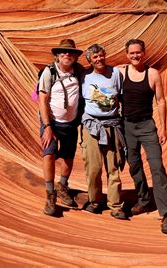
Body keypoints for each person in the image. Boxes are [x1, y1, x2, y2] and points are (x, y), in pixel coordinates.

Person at [120, 38, 167, 234]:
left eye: (138, 52)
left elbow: (161, 101)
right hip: (127, 125)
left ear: (143, 53)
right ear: (126, 54)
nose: (135, 56)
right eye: (131, 53)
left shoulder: (152, 74)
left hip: (147, 125)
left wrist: (163, 128)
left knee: (157, 167)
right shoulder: (121, 72)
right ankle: (144, 200)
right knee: (134, 165)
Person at [80, 44, 127, 220]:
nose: (99, 59)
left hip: (112, 126)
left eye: (101, 56)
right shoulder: (84, 76)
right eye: (95, 57)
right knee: (93, 167)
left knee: (113, 166)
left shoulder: (115, 74)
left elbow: (122, 97)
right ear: (90, 61)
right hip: (91, 125)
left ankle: (116, 205)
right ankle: (95, 201)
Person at [39, 39, 83, 216]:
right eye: (63, 52)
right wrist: (48, 126)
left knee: (68, 156)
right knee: (48, 154)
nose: (67, 55)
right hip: (52, 122)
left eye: (70, 52)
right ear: (57, 55)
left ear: (75, 56)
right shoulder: (49, 72)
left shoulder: (79, 71)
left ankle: (63, 186)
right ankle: (50, 194)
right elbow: (42, 99)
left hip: (71, 123)